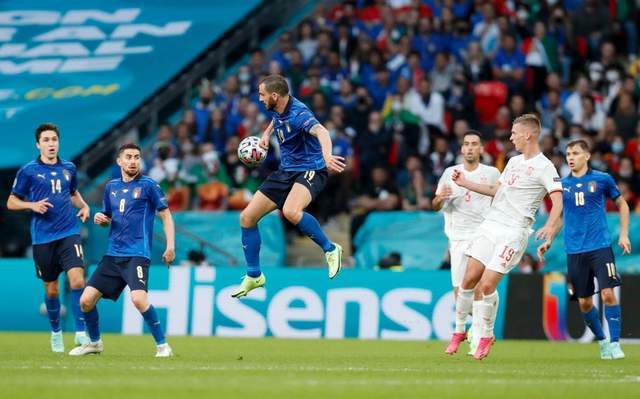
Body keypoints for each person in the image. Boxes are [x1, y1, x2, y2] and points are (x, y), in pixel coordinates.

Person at [444, 114, 563, 360]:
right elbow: (495, 190)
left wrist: (551, 227)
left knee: (486, 285)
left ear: (528, 135)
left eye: (514, 133)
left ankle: (486, 334)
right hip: (491, 225)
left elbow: (558, 201)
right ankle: (459, 331)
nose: (511, 137)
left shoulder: (545, 167)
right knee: (468, 280)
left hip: (513, 231)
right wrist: (465, 182)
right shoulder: (513, 161)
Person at [231, 74, 345, 298]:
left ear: (275, 95)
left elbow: (321, 131)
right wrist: (265, 134)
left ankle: (331, 250)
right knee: (246, 218)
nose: (260, 99)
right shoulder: (280, 107)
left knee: (291, 211)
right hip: (286, 171)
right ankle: (254, 276)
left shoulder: (299, 114)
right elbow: (277, 119)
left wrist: (327, 155)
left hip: (310, 170)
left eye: (262, 95)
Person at [69, 143, 175, 357]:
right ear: (120, 161)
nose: (133, 161)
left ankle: (163, 346)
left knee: (138, 300)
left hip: (136, 253)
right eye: (128, 157)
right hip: (112, 255)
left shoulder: (149, 185)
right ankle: (95, 343)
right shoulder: (111, 187)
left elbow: (166, 215)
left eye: (137, 157)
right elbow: (109, 218)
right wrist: (102, 220)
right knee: (85, 301)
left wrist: (170, 245)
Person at [7, 123, 91, 352]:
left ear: (58, 142)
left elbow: (72, 193)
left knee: (77, 280)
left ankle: (81, 333)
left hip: (69, 233)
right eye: (46, 140)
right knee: (51, 289)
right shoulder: (28, 171)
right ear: (38, 144)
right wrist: (31, 205)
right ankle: (56, 333)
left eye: (54, 139)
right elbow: (11, 202)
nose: (51, 143)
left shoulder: (69, 168)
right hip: (43, 238)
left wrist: (83, 206)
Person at [554, 139, 631, 360]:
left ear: (587, 156)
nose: (570, 157)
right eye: (568, 153)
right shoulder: (562, 185)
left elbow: (623, 204)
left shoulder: (602, 179)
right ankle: (603, 341)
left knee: (608, 294)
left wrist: (624, 234)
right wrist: (549, 237)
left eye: (575, 153)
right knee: (585, 301)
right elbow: (560, 217)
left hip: (600, 247)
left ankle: (616, 344)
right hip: (575, 251)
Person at [433, 131, 500, 354]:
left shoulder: (491, 174)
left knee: (480, 286)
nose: (470, 148)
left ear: (481, 149)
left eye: (474, 144)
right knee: (460, 293)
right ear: (461, 149)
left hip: (483, 235)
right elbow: (435, 204)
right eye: (466, 144)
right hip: (458, 238)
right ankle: (481, 324)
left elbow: (501, 200)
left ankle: (479, 333)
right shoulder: (450, 173)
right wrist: (439, 199)